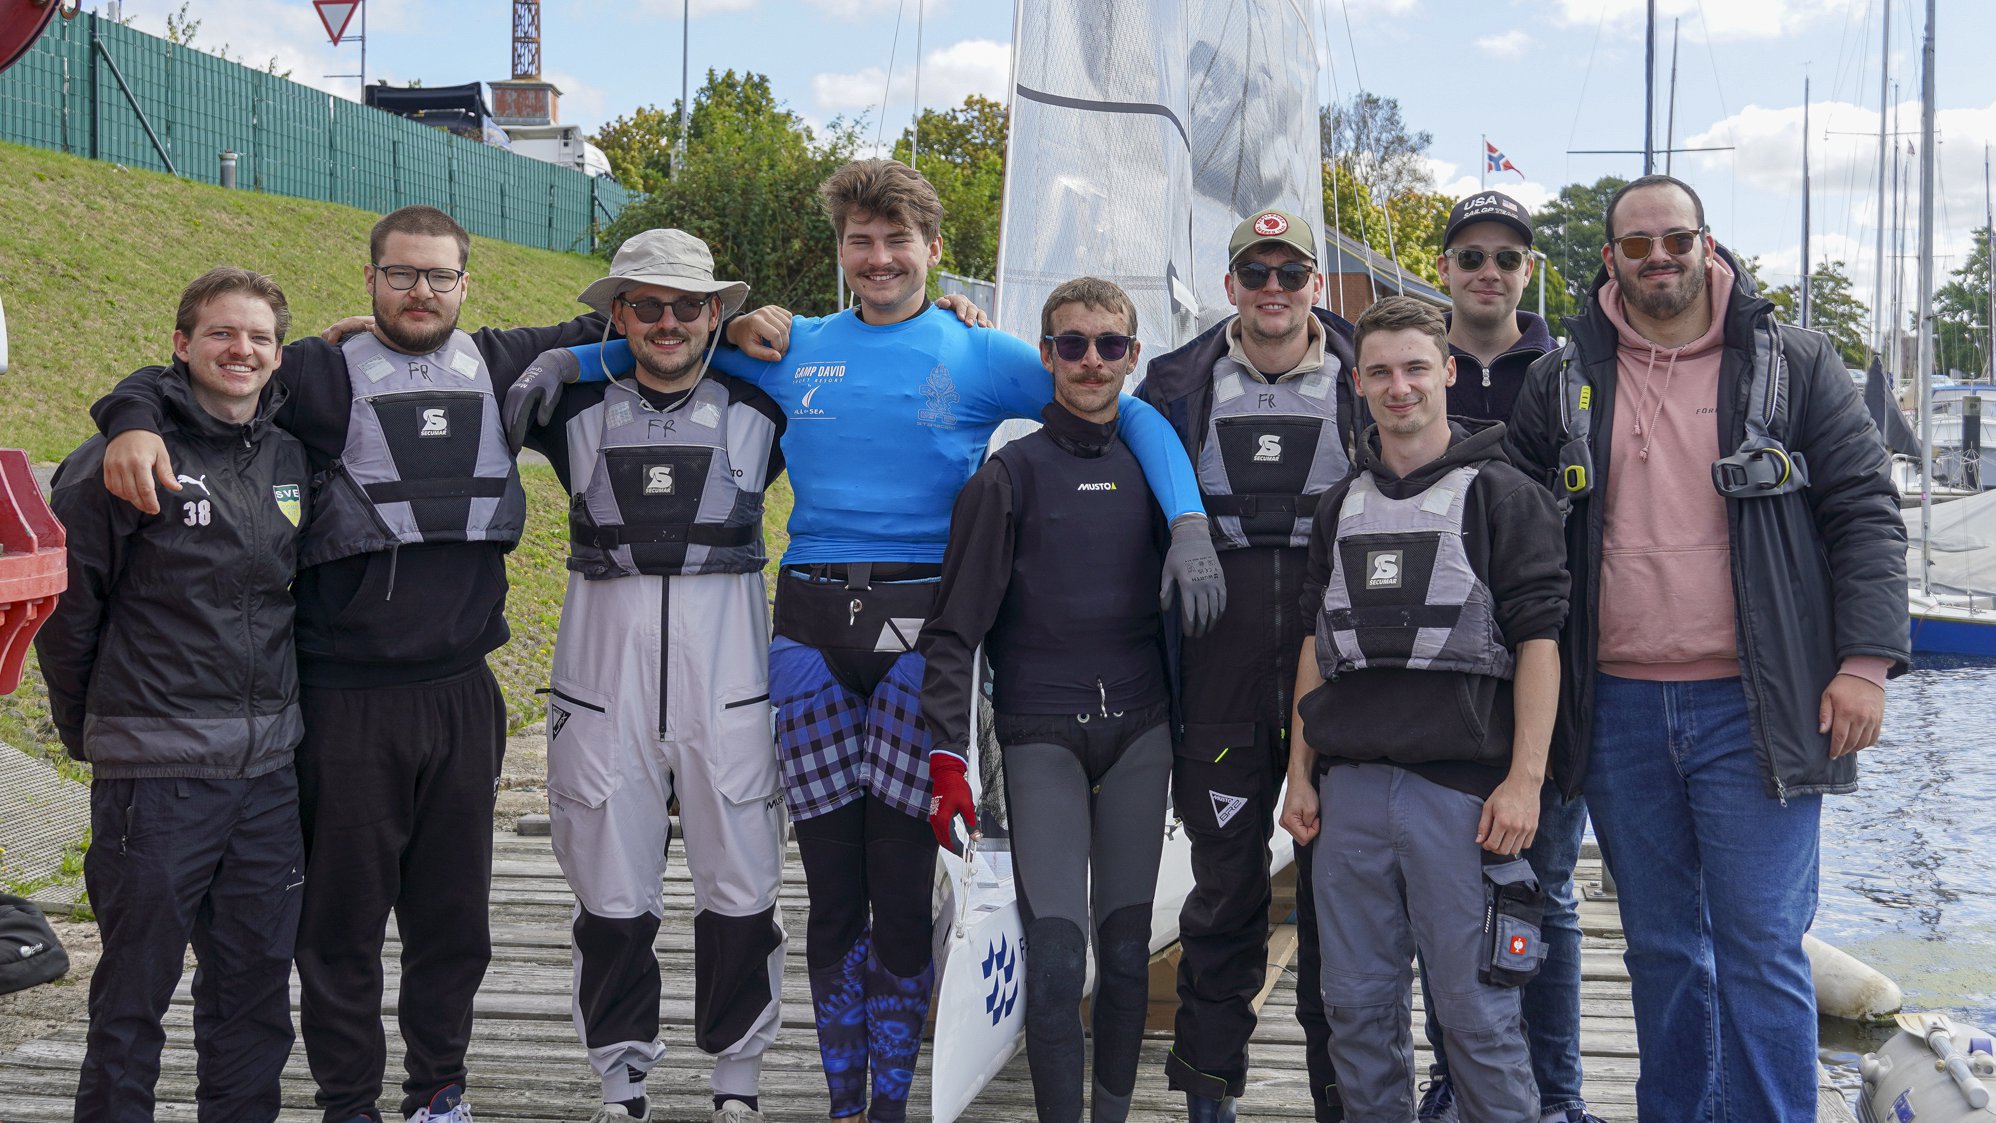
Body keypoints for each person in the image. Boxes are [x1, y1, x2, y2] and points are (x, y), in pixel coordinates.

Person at [514, 158, 1221, 1123]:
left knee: (898, 887)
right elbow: (663, 350)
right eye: (861, 242)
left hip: (921, 643)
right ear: (841, 251)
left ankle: (893, 1098)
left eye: (898, 241)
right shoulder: (792, 343)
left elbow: (1121, 403)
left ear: (933, 249)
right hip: (805, 636)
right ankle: (845, 1099)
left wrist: (1184, 523)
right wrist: (566, 359)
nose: (879, 258)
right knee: (829, 892)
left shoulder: (980, 353)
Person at [86, 205, 617, 1123]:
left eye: (439, 276)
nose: (421, 291)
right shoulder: (323, 373)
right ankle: (348, 1102)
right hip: (346, 701)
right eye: (402, 274)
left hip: (462, 694)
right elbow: (200, 376)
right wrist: (129, 418)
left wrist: (767, 326)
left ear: (464, 283)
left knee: (454, 923)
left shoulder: (497, 362)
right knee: (342, 927)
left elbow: (641, 321)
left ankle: (438, 1091)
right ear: (369, 280)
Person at [1504, 174, 1910, 1122]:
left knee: (1763, 943)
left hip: (1757, 706)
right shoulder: (1557, 381)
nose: (1658, 259)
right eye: (1636, 244)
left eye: (1675, 241)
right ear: (1608, 257)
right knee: (1659, 947)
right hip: (1616, 709)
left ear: (1708, 245)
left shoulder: (1795, 365)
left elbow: (1864, 512)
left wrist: (1864, 664)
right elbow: (1512, 533)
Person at [509, 230, 788, 1123]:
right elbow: (426, 351)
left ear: (717, 313)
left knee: (741, 887)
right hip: (603, 678)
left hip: (729, 678)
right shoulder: (567, 402)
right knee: (611, 892)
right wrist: (565, 350)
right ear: (617, 312)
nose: (667, 322)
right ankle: (621, 1081)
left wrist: (959, 310)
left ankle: (736, 1084)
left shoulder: (767, 402)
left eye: (687, 305)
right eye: (646, 304)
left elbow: (871, 349)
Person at [1281, 294, 1569, 1123]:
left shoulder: (1505, 495)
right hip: (1351, 796)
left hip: (1463, 801)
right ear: (1359, 384)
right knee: (1358, 1015)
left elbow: (1541, 641)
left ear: (1445, 371)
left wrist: (1524, 780)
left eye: (1415, 367)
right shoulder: (1339, 504)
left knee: (1479, 1019)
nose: (1398, 386)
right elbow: (1315, 644)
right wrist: (1300, 774)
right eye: (1379, 372)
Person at [39, 267, 310, 1123]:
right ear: (181, 344)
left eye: (259, 337)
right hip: (156, 782)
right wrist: (95, 728)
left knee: (255, 995)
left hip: (267, 782)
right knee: (133, 998)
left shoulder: (292, 453)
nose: (242, 350)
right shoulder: (119, 461)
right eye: (223, 333)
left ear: (277, 354)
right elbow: (66, 611)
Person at [919, 277, 1172, 1123]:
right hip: (1040, 736)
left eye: (1109, 344)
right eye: (1072, 344)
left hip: (1143, 730)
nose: (1091, 361)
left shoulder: (1159, 472)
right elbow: (954, 633)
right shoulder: (1009, 477)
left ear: (1133, 357)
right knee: (1061, 960)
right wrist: (949, 757)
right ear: (1047, 354)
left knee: (1128, 954)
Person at [1132, 209, 1355, 1123]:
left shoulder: (1365, 375)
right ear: (1229, 286)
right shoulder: (1175, 384)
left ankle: (1341, 1095)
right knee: (1223, 895)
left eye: (1290, 274)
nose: (1272, 290)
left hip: (1335, 677)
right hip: (1215, 673)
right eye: (1254, 274)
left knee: (1341, 900)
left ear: (1315, 284)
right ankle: (1207, 1094)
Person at [1417, 191, 1600, 1123]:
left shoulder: (1571, 371)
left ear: (1529, 271)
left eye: (1507, 257)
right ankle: (1457, 1079)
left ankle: (1556, 1093)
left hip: (1544, 655)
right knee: (1444, 897)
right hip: (1434, 667)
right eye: (1471, 255)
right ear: (1444, 266)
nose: (1488, 270)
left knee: (1549, 891)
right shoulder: (1407, 359)